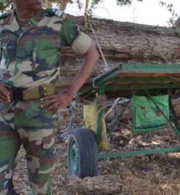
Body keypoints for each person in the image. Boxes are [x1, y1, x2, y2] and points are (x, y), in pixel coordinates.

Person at [0, 0, 99, 194]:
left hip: (40, 113)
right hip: (4, 112)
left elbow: (92, 53)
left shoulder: (57, 23)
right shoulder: (3, 24)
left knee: (40, 184)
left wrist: (70, 94)